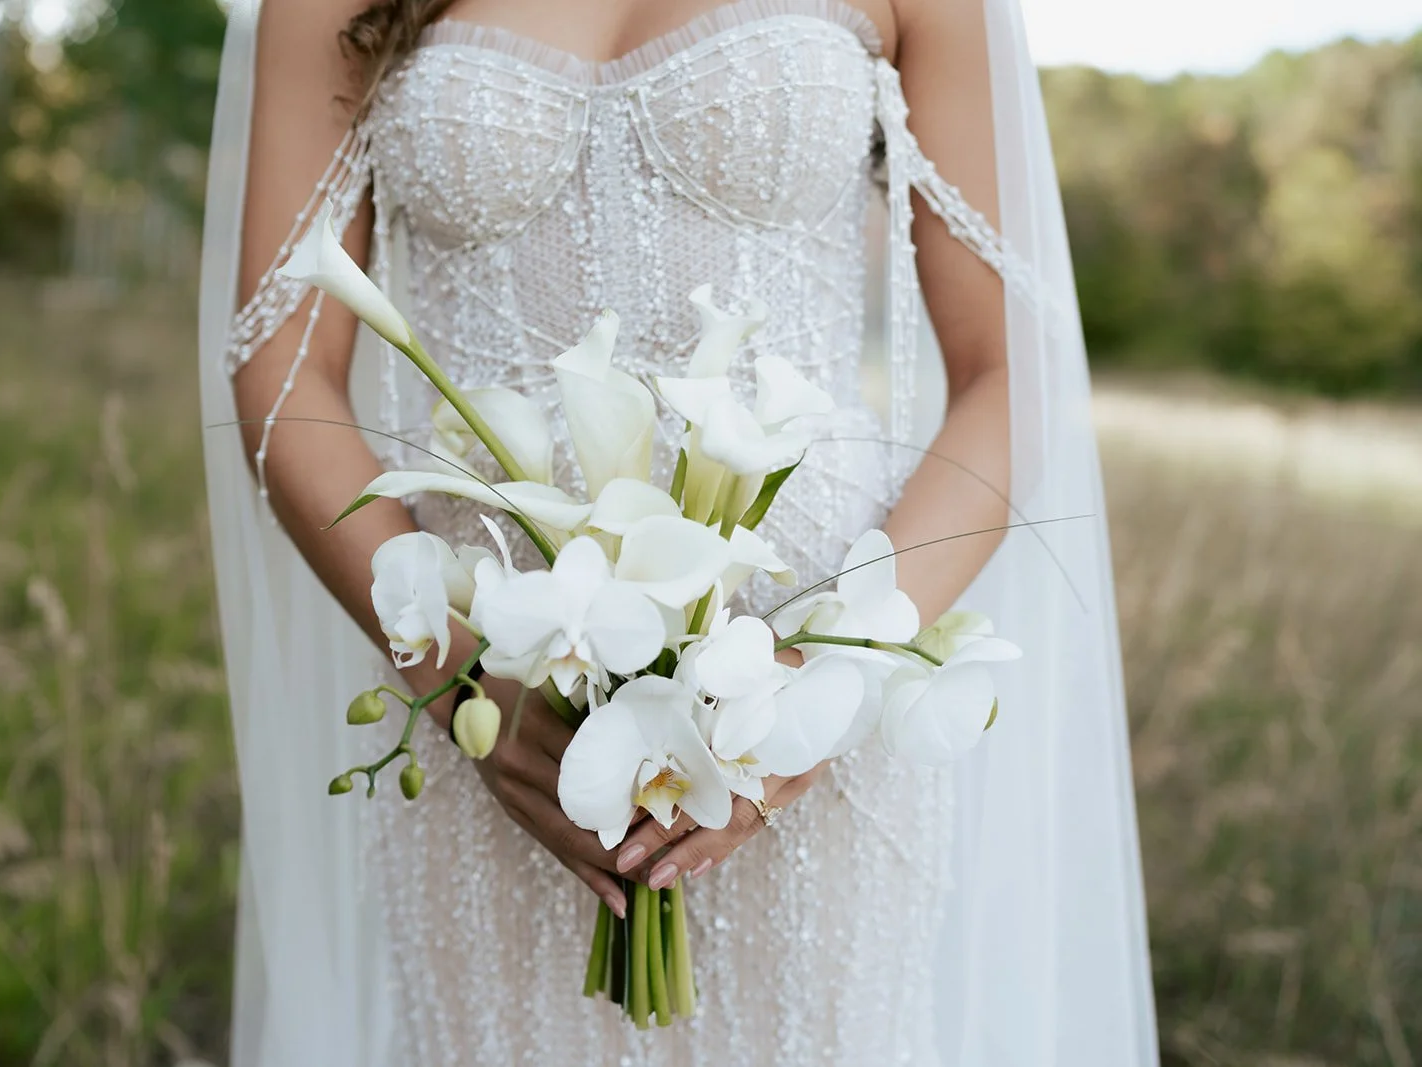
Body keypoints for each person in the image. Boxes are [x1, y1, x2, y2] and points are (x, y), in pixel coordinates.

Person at [197, 1, 1160, 1062]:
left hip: (816, 689)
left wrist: (828, 670)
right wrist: (464, 678)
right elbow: (284, 376)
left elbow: (1005, 373)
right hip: (498, 689)